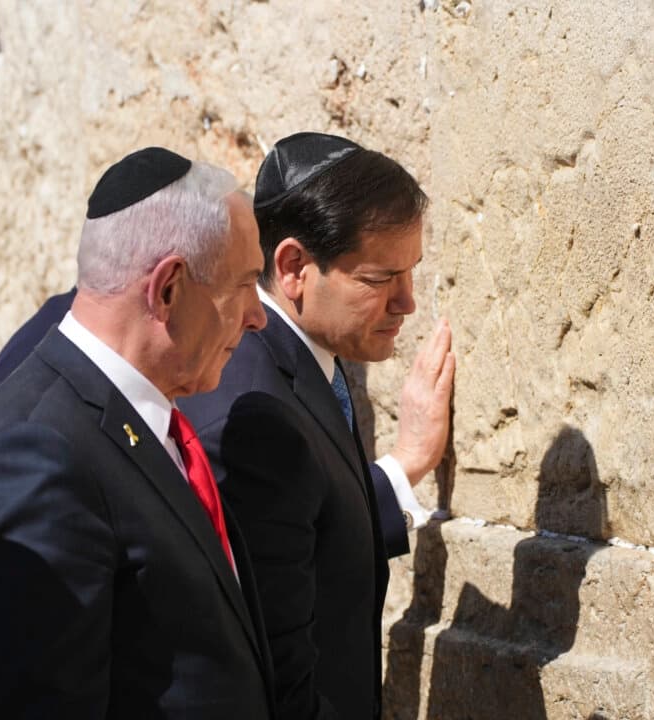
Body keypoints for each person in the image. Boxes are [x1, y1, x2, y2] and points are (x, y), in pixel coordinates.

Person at [0, 147, 275, 718]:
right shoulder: (38, 453)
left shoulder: (135, 418)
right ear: (168, 289)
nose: (257, 316)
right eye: (242, 286)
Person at [177, 132, 455, 719]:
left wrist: (402, 467)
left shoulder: (302, 365)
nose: (406, 303)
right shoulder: (255, 412)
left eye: (411, 275)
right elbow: (277, 669)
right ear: (296, 267)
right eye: (381, 280)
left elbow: (307, 530)